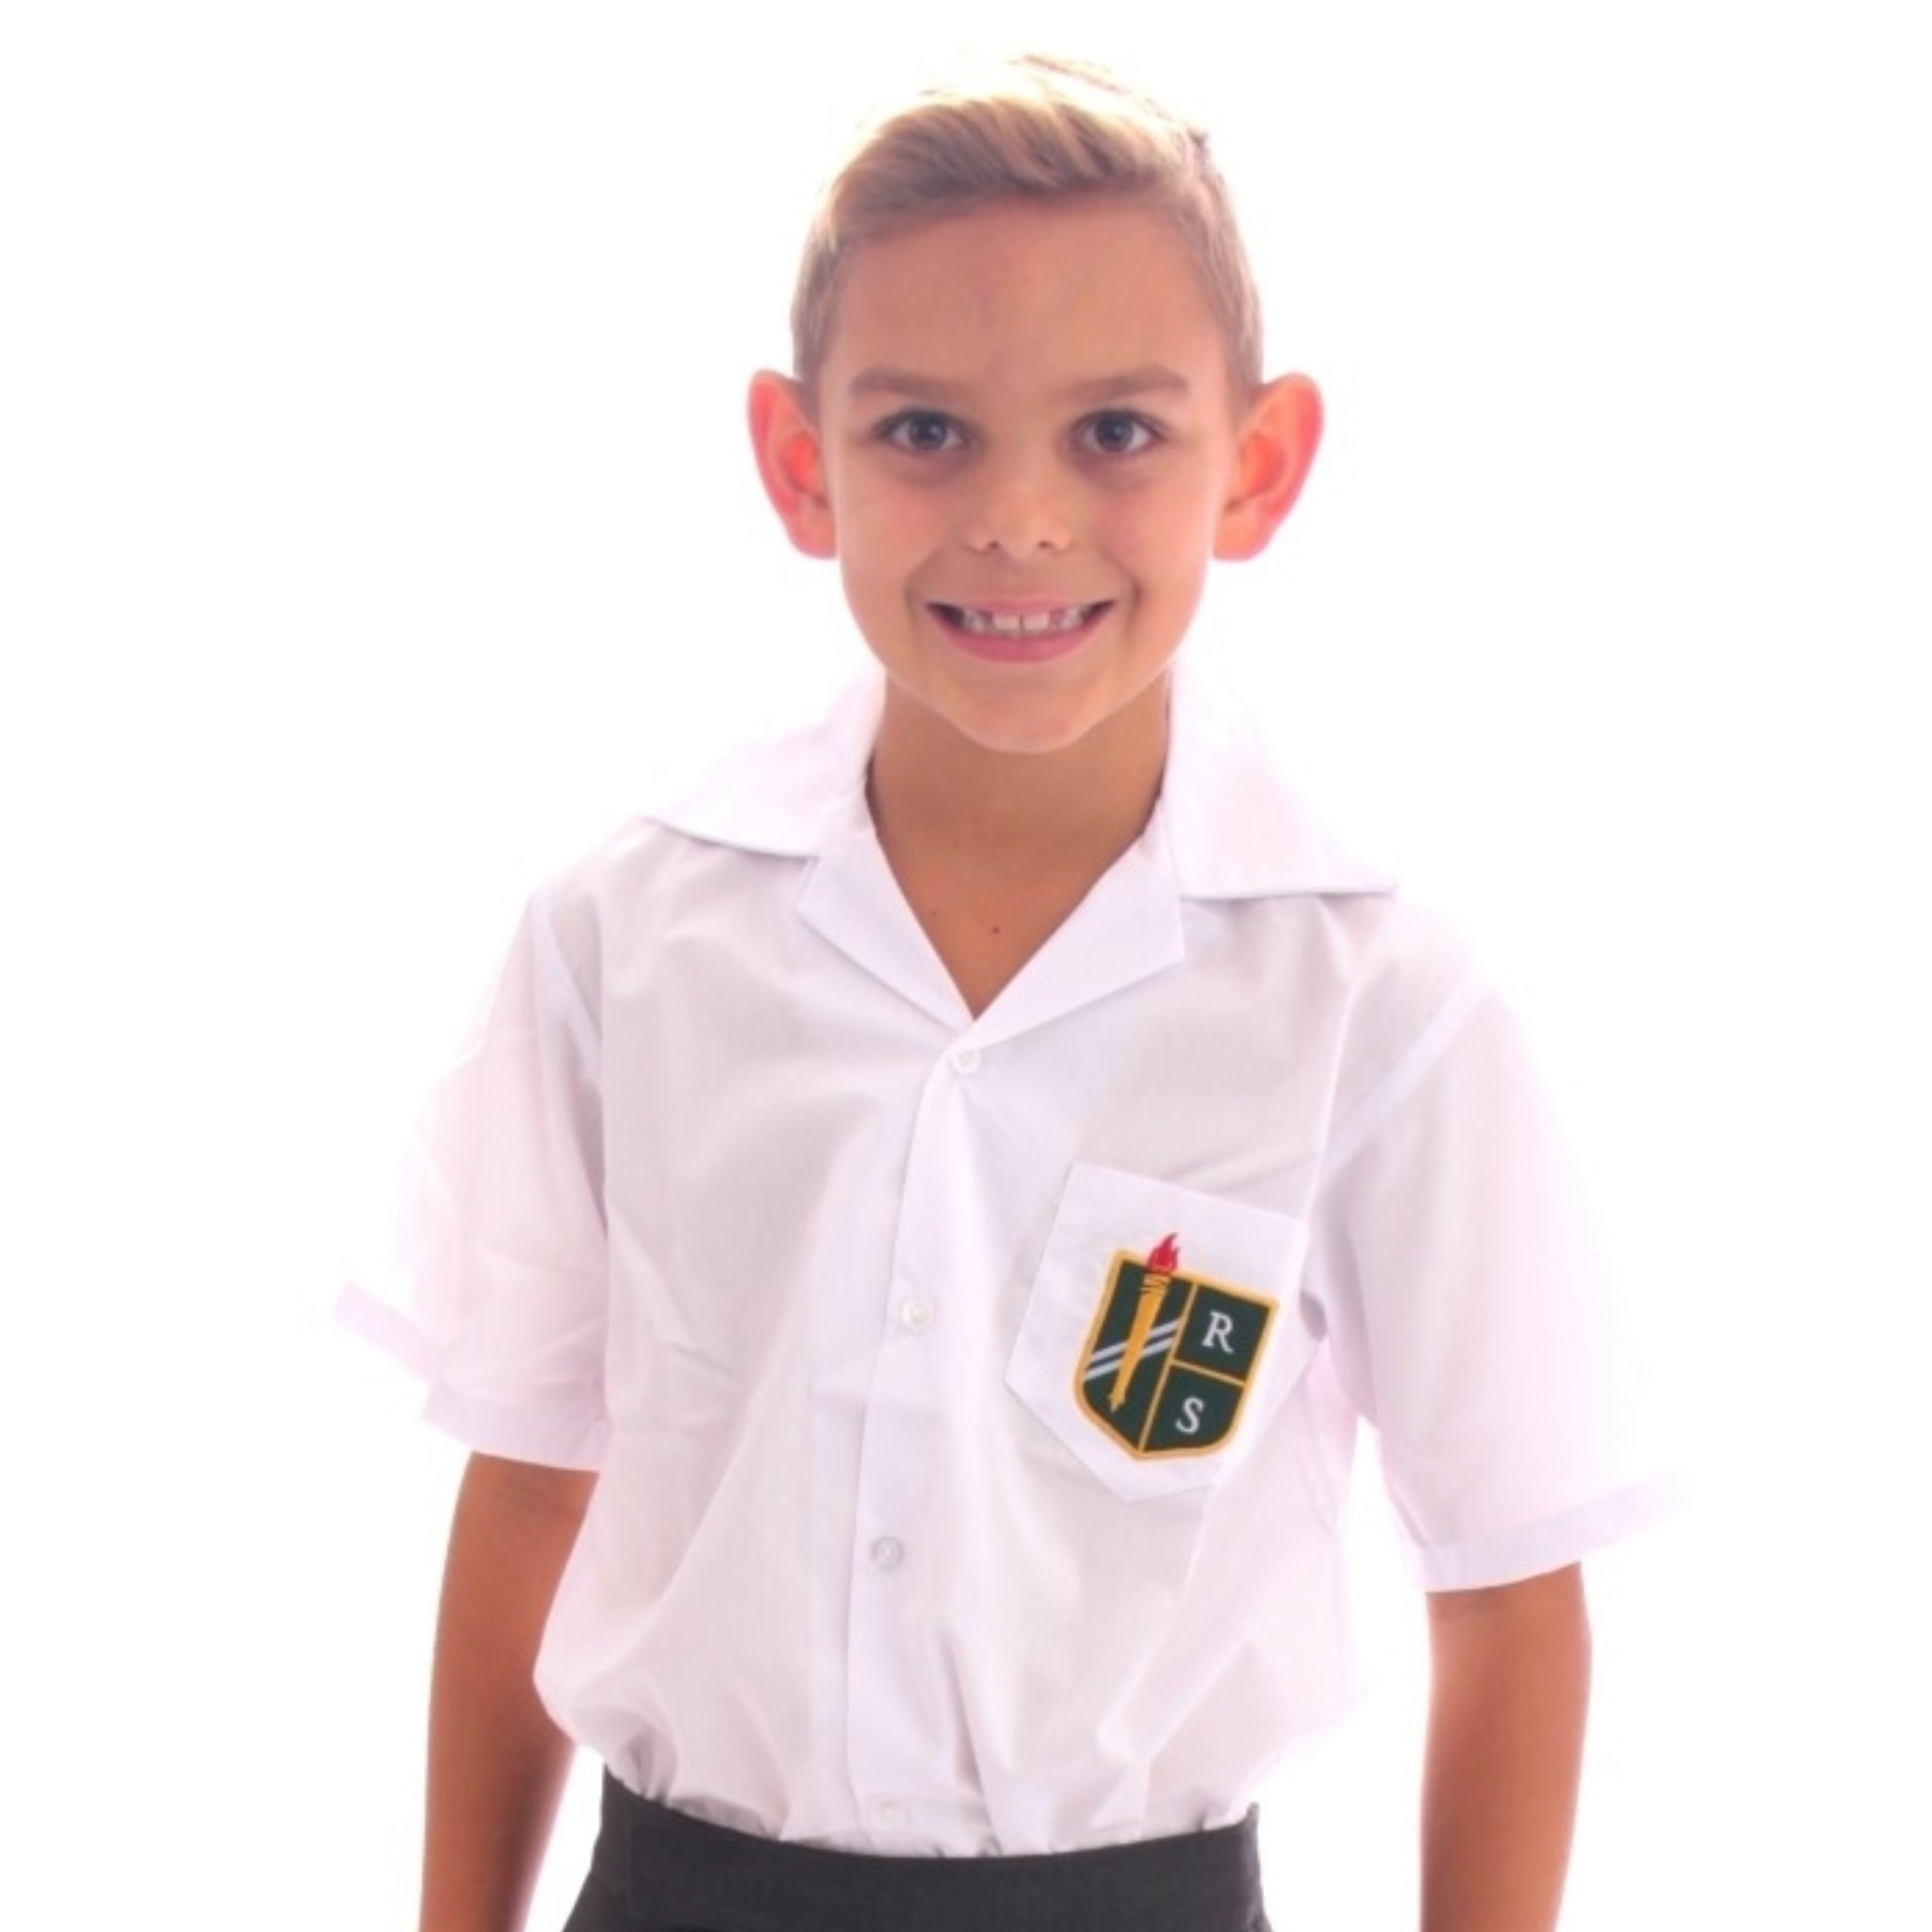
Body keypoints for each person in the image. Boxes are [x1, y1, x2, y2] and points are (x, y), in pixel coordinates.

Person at [340, 51, 1678, 1932]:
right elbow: (535, 1480)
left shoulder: (1376, 1005)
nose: (1021, 517)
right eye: (924, 431)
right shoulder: (622, 944)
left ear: (1256, 462)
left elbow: (1506, 1585)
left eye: (1116, 430)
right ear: (798, 463)